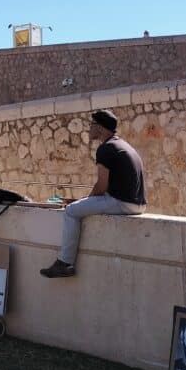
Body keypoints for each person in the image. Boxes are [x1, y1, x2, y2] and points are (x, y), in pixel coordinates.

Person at [41, 109, 146, 278]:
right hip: (138, 204)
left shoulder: (105, 149)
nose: (89, 128)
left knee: (71, 211)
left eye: (92, 125)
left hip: (122, 202)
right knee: (79, 206)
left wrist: (85, 202)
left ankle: (65, 263)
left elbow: (101, 186)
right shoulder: (123, 145)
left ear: (100, 128)